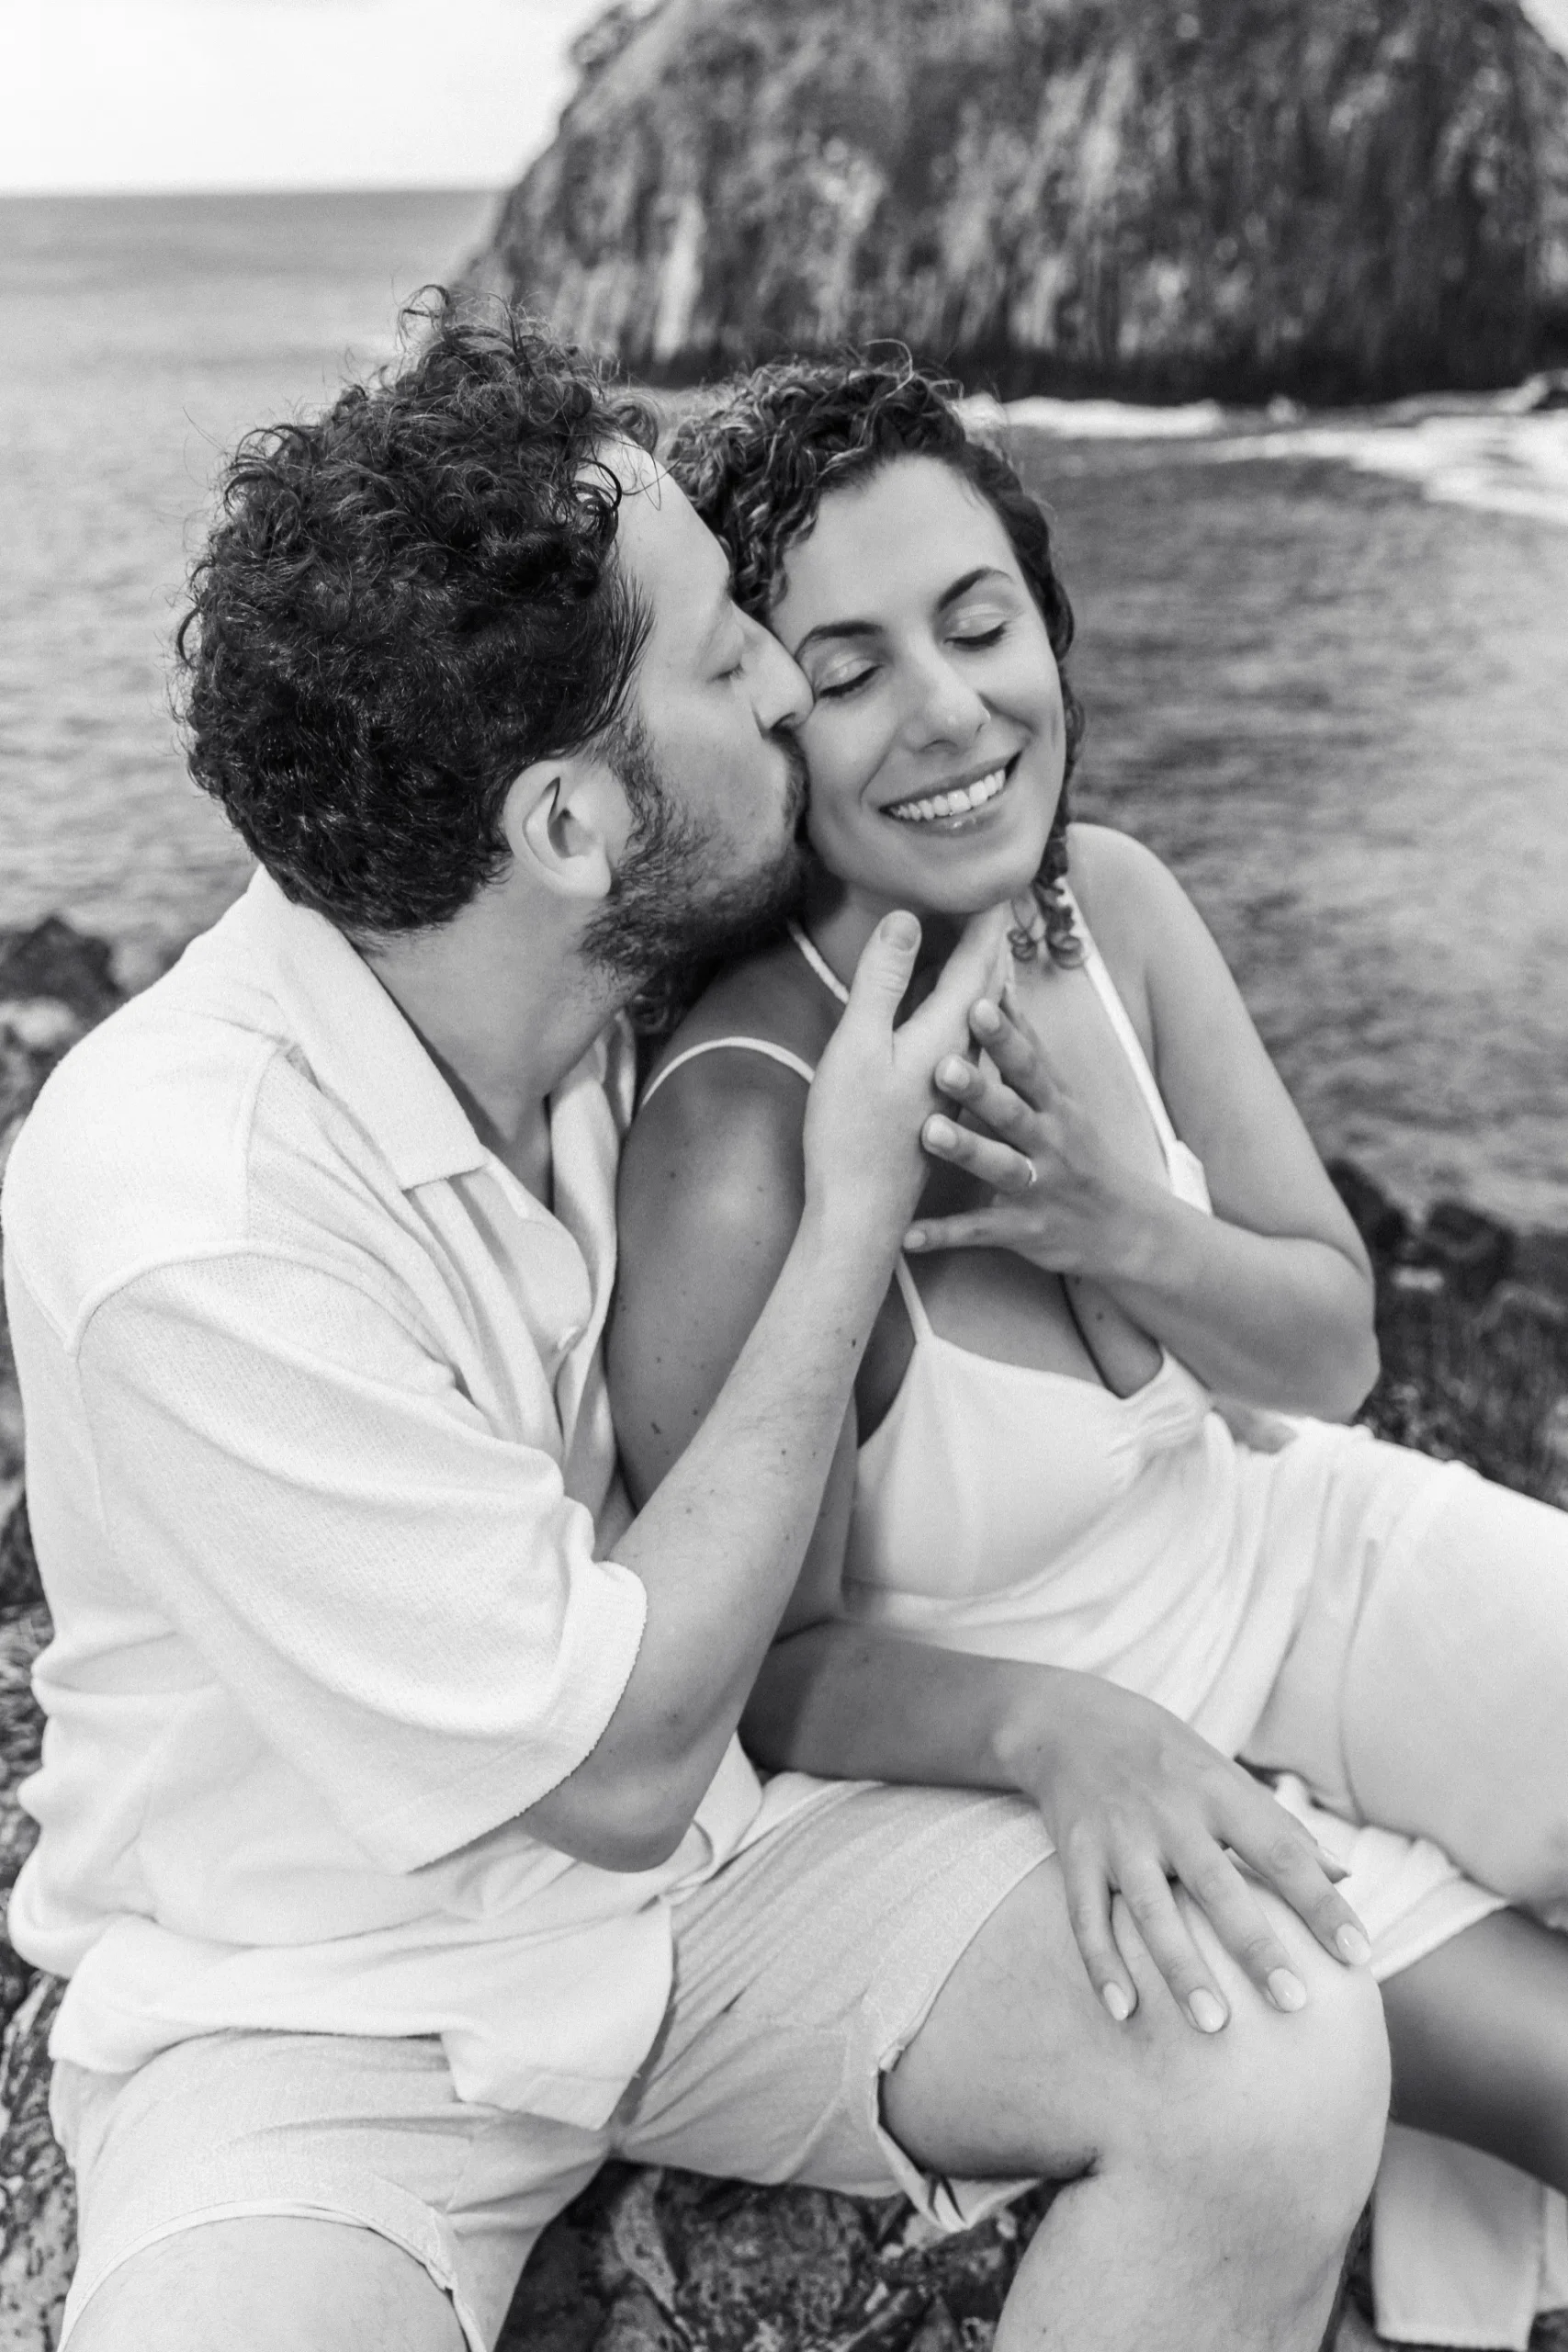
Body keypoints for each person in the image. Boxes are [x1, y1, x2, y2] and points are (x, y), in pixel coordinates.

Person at [0, 304, 1387, 2352]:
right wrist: (845, 1222)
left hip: (731, 1890)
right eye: (735, 660)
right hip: (328, 2016)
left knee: (1269, 2045)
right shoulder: (194, 1218)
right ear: (568, 828)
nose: (786, 686)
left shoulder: (581, 969)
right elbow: (619, 1764)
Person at [611, 354, 1568, 2227]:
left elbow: (1332, 1352)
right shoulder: (739, 1137)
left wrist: (1111, 1219)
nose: (950, 710)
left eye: (980, 627)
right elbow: (753, 1672)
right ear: (761, 722)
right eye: (848, 669)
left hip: (1288, 1559)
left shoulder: (1103, 905)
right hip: (1021, 1743)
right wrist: (1062, 1731)